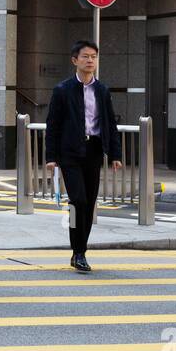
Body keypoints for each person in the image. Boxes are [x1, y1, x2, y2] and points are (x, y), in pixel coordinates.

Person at [44, 40, 122, 273]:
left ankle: (81, 251)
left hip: (94, 151)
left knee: (89, 203)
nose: (90, 61)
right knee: (77, 201)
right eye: (86, 56)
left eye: (94, 57)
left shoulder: (102, 90)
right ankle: (77, 250)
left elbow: (110, 123)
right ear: (74, 60)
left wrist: (115, 154)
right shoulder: (62, 90)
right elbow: (53, 125)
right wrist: (51, 156)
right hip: (70, 153)